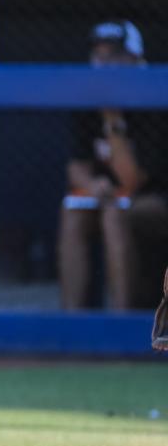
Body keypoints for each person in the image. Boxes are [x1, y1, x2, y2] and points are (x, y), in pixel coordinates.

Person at [58, 21, 168, 310]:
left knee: (114, 215)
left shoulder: (155, 97)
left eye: (113, 56)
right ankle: (73, 321)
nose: (104, 64)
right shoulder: (89, 98)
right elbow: (75, 167)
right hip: (110, 195)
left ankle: (121, 321)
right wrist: (93, 184)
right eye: (99, 56)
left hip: (155, 199)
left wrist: (113, 121)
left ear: (135, 59)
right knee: (72, 210)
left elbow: (133, 181)